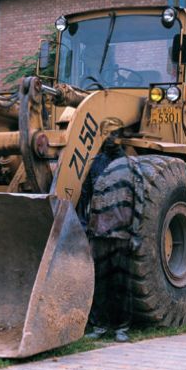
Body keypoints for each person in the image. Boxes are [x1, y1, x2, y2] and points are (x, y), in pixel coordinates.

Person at [78, 129, 133, 343]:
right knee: (99, 281)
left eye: (114, 135)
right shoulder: (95, 163)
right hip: (99, 231)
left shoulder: (129, 165)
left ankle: (121, 327)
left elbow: (140, 199)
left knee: (121, 282)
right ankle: (99, 325)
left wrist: (135, 233)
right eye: (107, 135)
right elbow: (86, 197)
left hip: (121, 231)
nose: (110, 139)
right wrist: (86, 227)